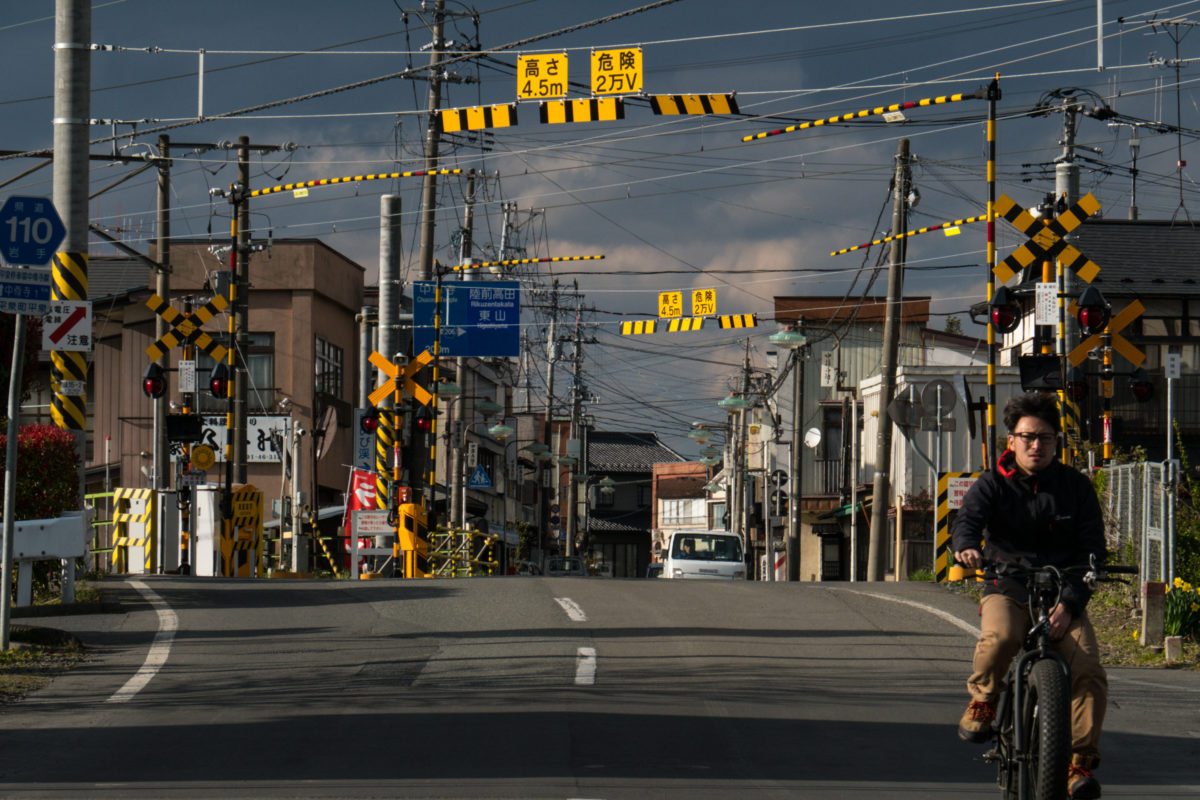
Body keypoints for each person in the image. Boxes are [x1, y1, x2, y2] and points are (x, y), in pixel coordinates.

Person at [952, 391, 1107, 800]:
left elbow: (1093, 550)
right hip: (1009, 584)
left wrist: (1070, 604)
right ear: (1012, 441)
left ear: (1057, 442)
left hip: (1065, 593)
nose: (1036, 445)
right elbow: (967, 524)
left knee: (1089, 669)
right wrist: (967, 548)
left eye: (1046, 437)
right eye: (1027, 437)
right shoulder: (991, 484)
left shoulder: (1075, 487)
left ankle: (1078, 765)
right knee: (1001, 638)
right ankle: (984, 700)